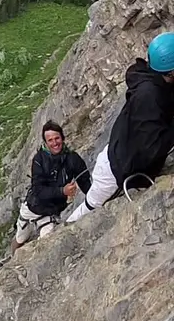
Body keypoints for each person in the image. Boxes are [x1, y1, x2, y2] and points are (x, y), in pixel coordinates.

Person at [66, 32, 174, 223]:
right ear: (170, 72)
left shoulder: (151, 79)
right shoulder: (148, 96)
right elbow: (151, 148)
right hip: (116, 169)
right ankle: (68, 226)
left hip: (117, 155)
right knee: (90, 208)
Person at [12, 121, 91, 254]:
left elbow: (84, 181)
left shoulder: (73, 159)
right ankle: (11, 259)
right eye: (50, 140)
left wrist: (94, 199)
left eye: (57, 138)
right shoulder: (39, 160)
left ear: (62, 138)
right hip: (33, 207)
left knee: (46, 245)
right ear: (45, 143)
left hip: (51, 212)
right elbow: (38, 190)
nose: (55, 143)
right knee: (20, 238)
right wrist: (62, 191)